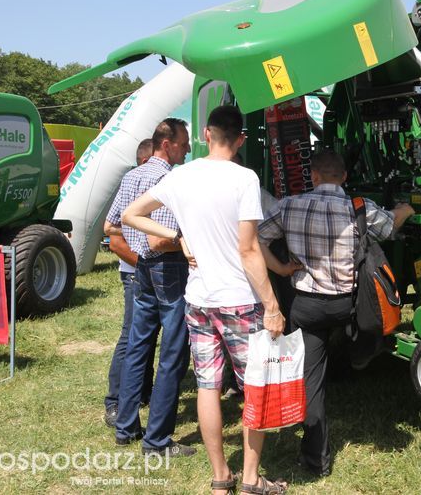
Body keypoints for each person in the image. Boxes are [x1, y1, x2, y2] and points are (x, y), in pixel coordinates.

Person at [123, 105, 294, 494]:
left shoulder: (181, 176)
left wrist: (179, 236)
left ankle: (220, 479)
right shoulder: (244, 178)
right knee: (255, 388)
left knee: (206, 386)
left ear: (205, 132)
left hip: (198, 299)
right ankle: (250, 479)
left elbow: (131, 215)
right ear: (241, 140)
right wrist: (272, 305)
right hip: (239, 300)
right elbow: (249, 249)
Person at [258, 149, 414, 477]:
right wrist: (407, 208)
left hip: (307, 306)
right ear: (344, 178)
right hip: (350, 305)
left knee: (312, 379)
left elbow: (257, 240)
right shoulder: (359, 208)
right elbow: (389, 227)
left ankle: (316, 461)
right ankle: (361, 354)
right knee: (369, 332)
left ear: (312, 176)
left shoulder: (288, 206)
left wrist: (283, 268)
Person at [108, 119, 196, 458]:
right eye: (184, 142)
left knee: (138, 345)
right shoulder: (168, 179)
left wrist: (135, 251)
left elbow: (112, 224)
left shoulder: (133, 175)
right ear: (167, 143)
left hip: (140, 269)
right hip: (168, 269)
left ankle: (126, 425)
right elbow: (159, 239)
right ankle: (157, 440)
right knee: (173, 353)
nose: (187, 148)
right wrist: (190, 241)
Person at [102, 138, 154, 428]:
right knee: (131, 337)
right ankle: (116, 401)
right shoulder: (133, 187)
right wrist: (146, 266)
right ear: (146, 163)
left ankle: (140, 392)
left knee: (144, 338)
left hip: (143, 273)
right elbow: (115, 239)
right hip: (136, 274)